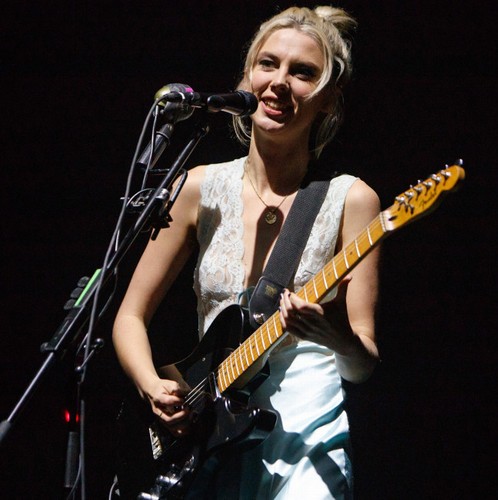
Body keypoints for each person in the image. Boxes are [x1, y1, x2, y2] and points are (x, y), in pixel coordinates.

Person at [113, 5, 380, 499]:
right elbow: (129, 316)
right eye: (268, 64)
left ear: (329, 99)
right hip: (210, 431)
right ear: (246, 77)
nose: (280, 82)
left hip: (306, 428)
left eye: (303, 73)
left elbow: (362, 362)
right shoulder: (197, 186)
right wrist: (152, 385)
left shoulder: (352, 199)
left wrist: (334, 332)